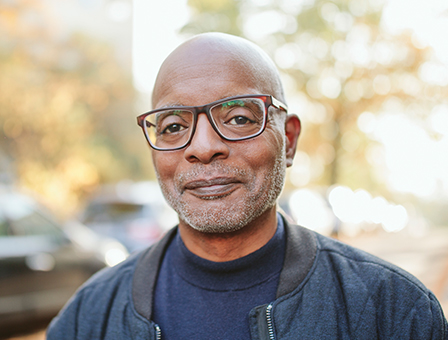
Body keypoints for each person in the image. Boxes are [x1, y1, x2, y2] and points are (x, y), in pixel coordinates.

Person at [47, 32, 447, 339]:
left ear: (288, 139)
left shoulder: (393, 312)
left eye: (238, 118)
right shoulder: (89, 317)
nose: (203, 148)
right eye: (173, 126)